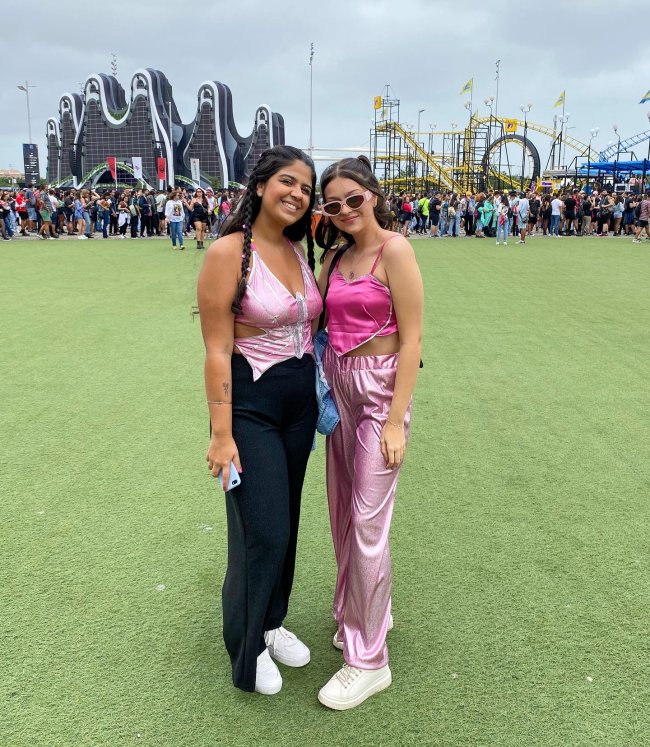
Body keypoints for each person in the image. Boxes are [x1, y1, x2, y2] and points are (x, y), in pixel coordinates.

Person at [197, 145, 321, 696]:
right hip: (250, 402)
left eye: (306, 188)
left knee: (287, 521)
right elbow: (217, 349)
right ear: (262, 185)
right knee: (260, 529)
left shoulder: (300, 251)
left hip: (300, 401)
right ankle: (246, 651)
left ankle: (272, 623)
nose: (297, 194)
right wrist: (221, 434)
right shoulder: (229, 252)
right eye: (288, 182)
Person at [314, 156, 423, 710]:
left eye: (354, 198)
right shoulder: (333, 256)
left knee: (367, 521)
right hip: (337, 390)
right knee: (341, 515)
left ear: (373, 195)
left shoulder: (394, 250)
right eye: (333, 204)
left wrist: (397, 418)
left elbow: (412, 340)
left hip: (380, 394)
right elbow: (313, 318)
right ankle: (355, 615)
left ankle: (369, 660)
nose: (346, 210)